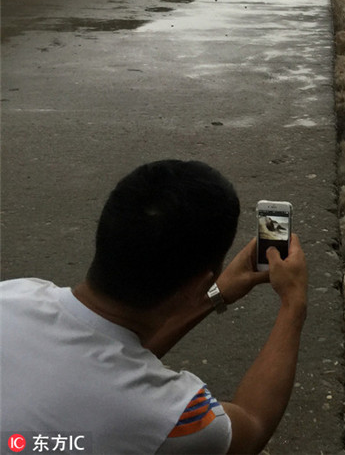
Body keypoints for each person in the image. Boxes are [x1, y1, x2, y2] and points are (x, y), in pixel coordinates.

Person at [0, 159, 309, 454]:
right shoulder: (171, 417)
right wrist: (293, 304)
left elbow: (110, 352)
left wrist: (215, 293)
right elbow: (250, 427)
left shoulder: (14, 293)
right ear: (196, 284)